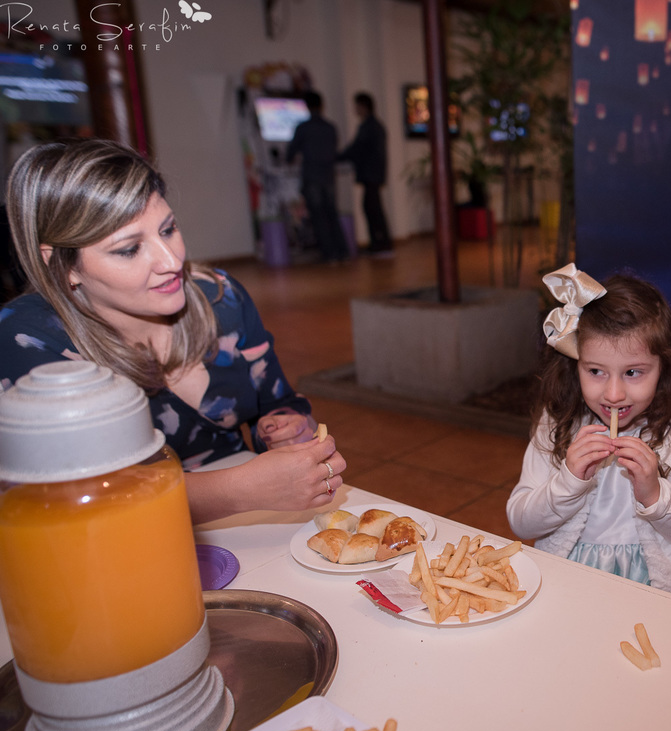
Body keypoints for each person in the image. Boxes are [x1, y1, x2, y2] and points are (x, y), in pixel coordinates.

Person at [0, 139, 346, 524]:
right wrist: (242, 489)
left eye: (168, 229)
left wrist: (287, 427)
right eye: (129, 249)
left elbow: (278, 399)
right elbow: (86, 498)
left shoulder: (221, 298)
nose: (171, 261)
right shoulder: (25, 340)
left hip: (252, 524)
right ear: (62, 265)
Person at [507, 264, 671, 599]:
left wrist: (656, 496)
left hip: (661, 591)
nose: (613, 394)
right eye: (595, 371)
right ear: (575, 364)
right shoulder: (559, 422)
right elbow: (521, 523)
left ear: (663, 367)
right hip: (567, 583)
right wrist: (568, 482)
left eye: (633, 373)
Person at [287, 91, 348, 261]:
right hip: (328, 176)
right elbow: (333, 152)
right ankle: (342, 251)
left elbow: (290, 153)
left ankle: (329, 254)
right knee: (331, 213)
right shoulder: (330, 127)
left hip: (312, 177)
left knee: (318, 216)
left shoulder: (303, 128)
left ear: (306, 106)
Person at [338, 92, 392, 254]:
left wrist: (336, 157)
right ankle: (380, 242)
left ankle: (381, 243)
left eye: (357, 106)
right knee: (372, 208)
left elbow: (357, 149)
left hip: (371, 175)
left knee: (372, 209)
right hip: (373, 175)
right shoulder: (373, 125)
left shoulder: (370, 127)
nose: (355, 109)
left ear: (363, 106)